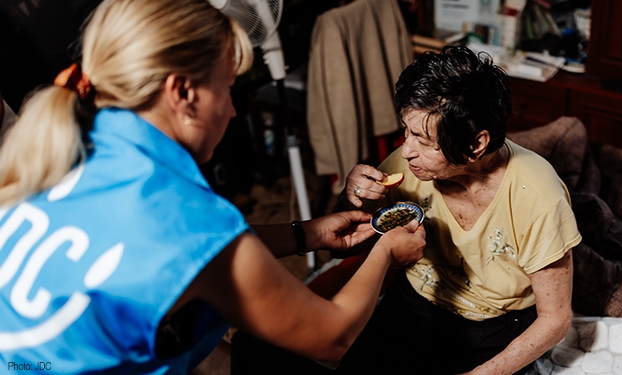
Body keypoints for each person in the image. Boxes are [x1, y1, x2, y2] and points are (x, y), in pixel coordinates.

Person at [0, 0, 425, 373]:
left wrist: (307, 234)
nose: (234, 108)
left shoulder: (66, 149)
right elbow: (333, 335)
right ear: (183, 92)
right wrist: (387, 251)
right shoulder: (181, 212)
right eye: (226, 87)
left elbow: (187, 254)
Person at [238, 44, 580, 374]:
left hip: (490, 324)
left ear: (477, 143)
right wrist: (352, 199)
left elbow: (555, 319)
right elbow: (347, 246)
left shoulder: (536, 197)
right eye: (406, 131)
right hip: (412, 300)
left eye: (424, 141)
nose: (407, 150)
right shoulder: (407, 164)